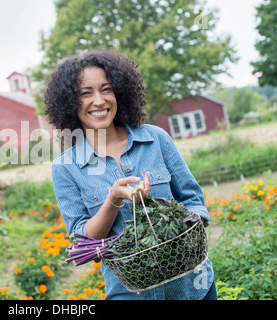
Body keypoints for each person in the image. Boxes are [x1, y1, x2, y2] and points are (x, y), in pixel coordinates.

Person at [44, 49, 217, 300]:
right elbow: (83, 241)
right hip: (129, 294)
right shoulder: (66, 168)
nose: (99, 101)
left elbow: (193, 201)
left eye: (106, 89)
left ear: (119, 93)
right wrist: (113, 199)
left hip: (194, 287)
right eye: (85, 93)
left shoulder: (156, 139)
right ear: (69, 103)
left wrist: (178, 229)